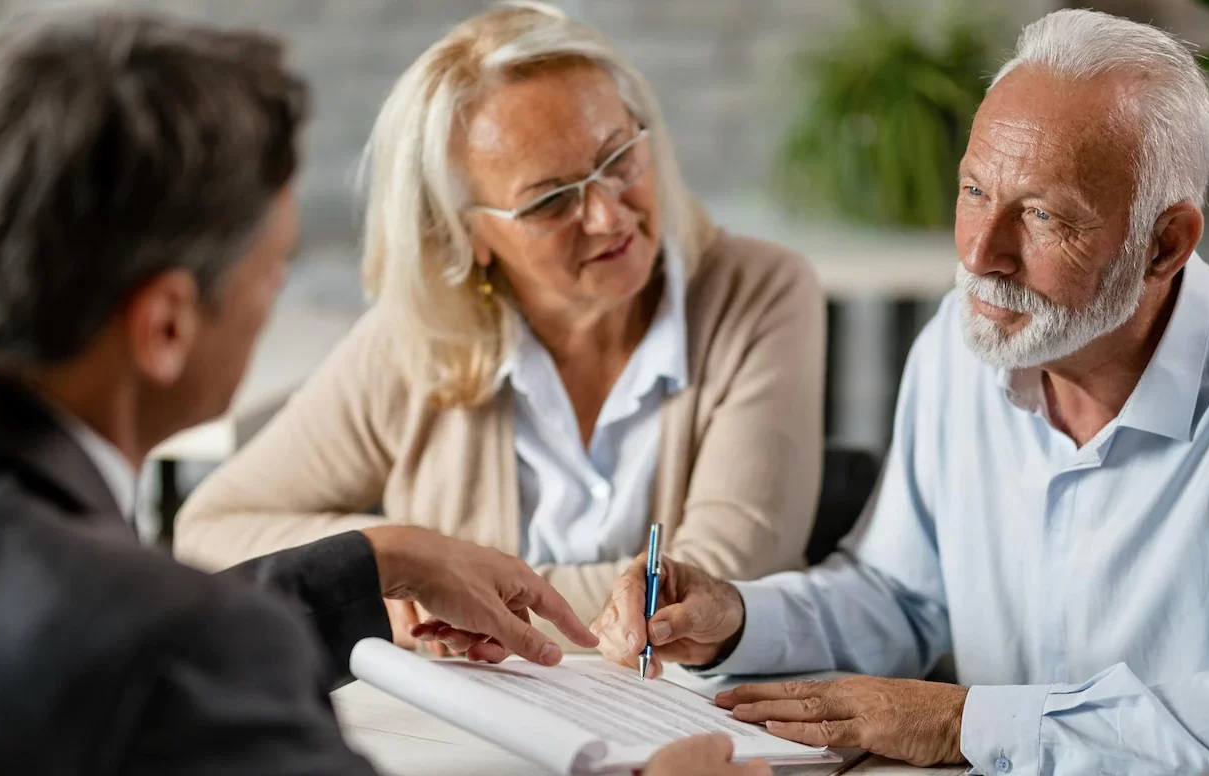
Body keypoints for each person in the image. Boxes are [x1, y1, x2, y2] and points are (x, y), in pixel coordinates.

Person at [0, 10, 764, 775]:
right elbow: (171, 640)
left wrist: (380, 558)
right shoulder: (182, 652)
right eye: (274, 269)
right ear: (167, 327)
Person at [593, 9, 1209, 775]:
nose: (982, 253)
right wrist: (737, 618)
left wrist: (972, 723)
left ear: (1165, 244)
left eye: (1043, 215)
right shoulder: (957, 353)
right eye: (975, 190)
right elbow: (901, 596)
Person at [172, 0, 825, 652]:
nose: (608, 216)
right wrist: (395, 560)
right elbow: (210, 528)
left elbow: (718, 590)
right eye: (550, 199)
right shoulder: (417, 339)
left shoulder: (761, 292)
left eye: (619, 157)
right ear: (465, 234)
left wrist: (457, 593)